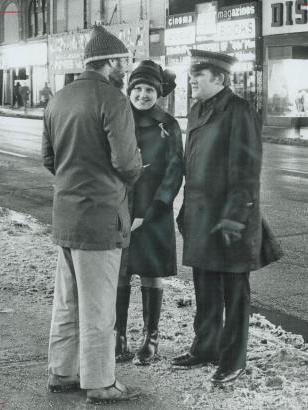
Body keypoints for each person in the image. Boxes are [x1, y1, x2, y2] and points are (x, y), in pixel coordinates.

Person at [42, 25, 143, 404]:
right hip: (101, 217)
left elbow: (49, 159)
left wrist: (75, 179)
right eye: (124, 62)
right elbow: (127, 162)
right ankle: (100, 381)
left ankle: (62, 372)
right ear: (110, 62)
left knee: (67, 302)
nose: (126, 68)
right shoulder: (113, 99)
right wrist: (132, 175)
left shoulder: (58, 99)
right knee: (99, 305)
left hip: (66, 217)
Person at [172, 49, 282, 384]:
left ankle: (233, 360)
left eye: (198, 75)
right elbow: (192, 166)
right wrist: (185, 210)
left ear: (219, 78)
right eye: (193, 74)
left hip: (231, 220)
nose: (192, 80)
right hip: (201, 217)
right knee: (205, 286)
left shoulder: (239, 110)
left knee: (235, 293)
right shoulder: (197, 110)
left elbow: (247, 171)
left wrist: (235, 218)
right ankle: (206, 347)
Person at [115, 60, 184, 365]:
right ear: (129, 90)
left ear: (158, 93)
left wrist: (155, 207)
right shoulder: (118, 119)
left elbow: (174, 171)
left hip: (155, 211)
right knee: (120, 273)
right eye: (138, 89)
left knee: (151, 273)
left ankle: (150, 338)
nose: (143, 95)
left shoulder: (168, 124)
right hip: (120, 208)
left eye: (149, 90)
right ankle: (118, 335)